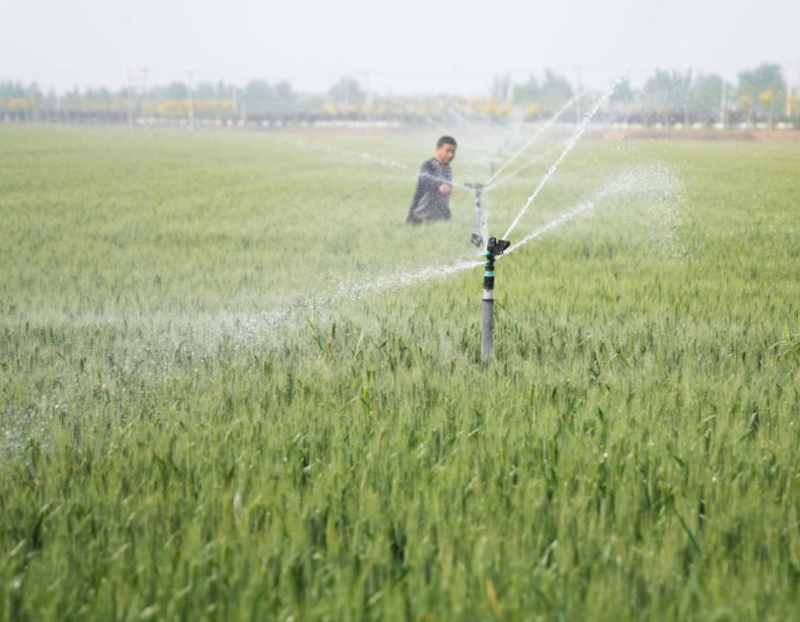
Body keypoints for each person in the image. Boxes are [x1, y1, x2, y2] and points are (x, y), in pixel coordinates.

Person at [406, 136, 457, 225]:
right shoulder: (428, 165)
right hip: (419, 220)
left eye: (453, 151)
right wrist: (439, 185)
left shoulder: (448, 168)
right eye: (447, 151)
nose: (450, 155)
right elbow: (425, 179)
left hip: (438, 221)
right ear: (437, 149)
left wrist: (447, 216)